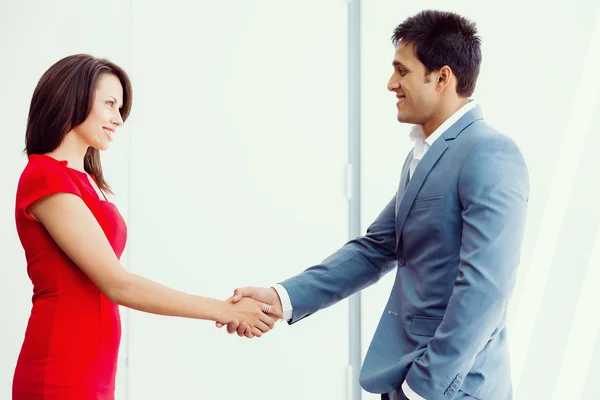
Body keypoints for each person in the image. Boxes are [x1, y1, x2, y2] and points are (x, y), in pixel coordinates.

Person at [218, 10, 529, 400]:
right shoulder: (425, 154)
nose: (390, 84)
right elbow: (376, 248)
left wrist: (424, 386)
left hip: (454, 388)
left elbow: (487, 287)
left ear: (442, 77)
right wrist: (282, 298)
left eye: (402, 71)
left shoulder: (488, 152)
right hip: (405, 377)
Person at [12, 54, 281, 400]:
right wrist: (222, 309)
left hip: (94, 367)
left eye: (120, 108)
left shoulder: (88, 181)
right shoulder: (45, 176)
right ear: (73, 96)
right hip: (60, 366)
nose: (118, 119)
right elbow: (117, 284)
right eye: (110, 104)